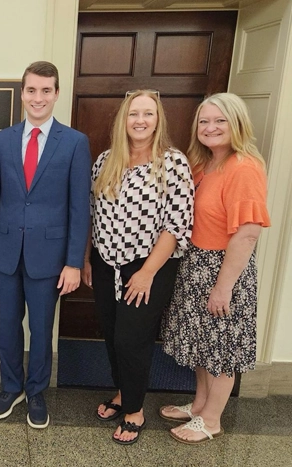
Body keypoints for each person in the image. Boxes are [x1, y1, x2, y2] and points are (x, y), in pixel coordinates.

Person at [0, 61, 92, 429]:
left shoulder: (74, 142)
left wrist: (74, 262)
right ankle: (11, 387)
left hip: (50, 257)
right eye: (31, 90)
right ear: (22, 93)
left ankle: (37, 390)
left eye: (46, 90)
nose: (38, 97)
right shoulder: (4, 139)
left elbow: (79, 207)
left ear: (56, 93)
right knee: (7, 324)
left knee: (41, 328)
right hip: (7, 251)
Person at [81, 89, 194, 445]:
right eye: (133, 114)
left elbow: (176, 225)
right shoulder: (105, 161)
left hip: (148, 268)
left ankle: (134, 409)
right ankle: (123, 391)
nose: (140, 121)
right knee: (113, 335)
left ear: (158, 119)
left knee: (132, 339)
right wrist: (87, 258)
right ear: (123, 120)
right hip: (104, 263)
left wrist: (146, 273)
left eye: (148, 114)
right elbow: (91, 214)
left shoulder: (172, 162)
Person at [161, 93, 271, 444]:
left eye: (220, 121)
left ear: (236, 124)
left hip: (223, 269)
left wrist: (223, 287)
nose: (210, 128)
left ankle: (211, 420)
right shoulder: (204, 162)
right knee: (201, 344)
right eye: (204, 121)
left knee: (221, 347)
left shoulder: (244, 167)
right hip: (196, 264)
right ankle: (198, 406)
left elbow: (248, 234)